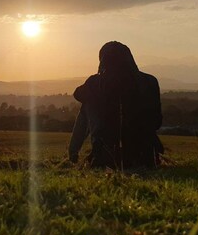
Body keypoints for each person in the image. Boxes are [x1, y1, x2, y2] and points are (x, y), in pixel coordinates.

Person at [68, 41, 163, 170]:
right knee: (88, 98)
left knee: (87, 102)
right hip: (146, 158)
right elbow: (157, 122)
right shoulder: (150, 81)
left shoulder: (94, 83)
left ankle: (73, 153)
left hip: (106, 159)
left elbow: (77, 94)